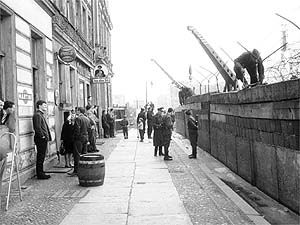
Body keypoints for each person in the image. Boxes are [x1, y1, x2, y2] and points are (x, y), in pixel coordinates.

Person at [68, 107, 91, 176]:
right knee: (84, 154)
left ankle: (76, 171)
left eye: (76, 111)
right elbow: (89, 129)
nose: (76, 112)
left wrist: (75, 137)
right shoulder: (87, 118)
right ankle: (84, 169)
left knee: (77, 155)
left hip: (79, 138)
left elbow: (77, 129)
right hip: (85, 137)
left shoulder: (78, 119)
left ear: (79, 111)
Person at [0, 100, 15, 204]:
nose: (13, 109)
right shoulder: (3, 114)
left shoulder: (9, 116)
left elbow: (12, 129)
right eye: (12, 107)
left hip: (4, 146)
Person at [32, 100, 52, 179]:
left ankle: (41, 172)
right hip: (40, 139)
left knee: (42, 156)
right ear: (39, 106)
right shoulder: (37, 115)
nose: (46, 107)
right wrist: (42, 136)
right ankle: (40, 174)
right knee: (40, 156)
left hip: (42, 138)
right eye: (44, 105)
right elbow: (37, 127)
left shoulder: (40, 115)